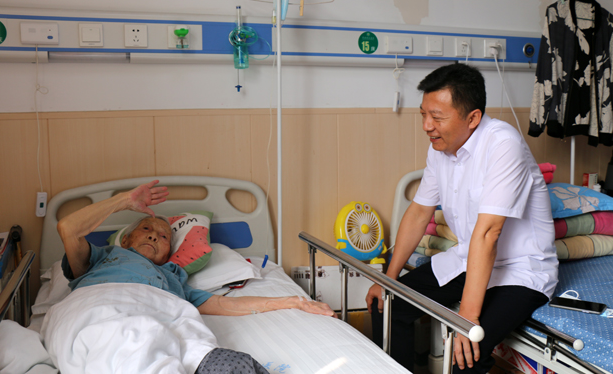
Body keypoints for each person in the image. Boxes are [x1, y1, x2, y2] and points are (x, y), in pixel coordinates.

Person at [365, 63, 558, 374]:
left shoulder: (503, 144)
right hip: (470, 259)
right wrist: (388, 280)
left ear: (473, 118)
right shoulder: (440, 148)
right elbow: (419, 212)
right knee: (387, 306)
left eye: (437, 117)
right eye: (423, 115)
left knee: (467, 351)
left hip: (520, 270)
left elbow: (488, 233)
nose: (427, 126)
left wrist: (467, 318)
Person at [56, 179, 335, 374]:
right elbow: (68, 227)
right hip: (99, 310)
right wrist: (124, 201)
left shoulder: (173, 278)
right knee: (135, 345)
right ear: (126, 239)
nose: (154, 235)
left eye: (163, 236)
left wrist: (294, 301)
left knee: (235, 366)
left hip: (162, 315)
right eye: (146, 229)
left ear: (169, 252)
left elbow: (225, 304)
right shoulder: (101, 257)